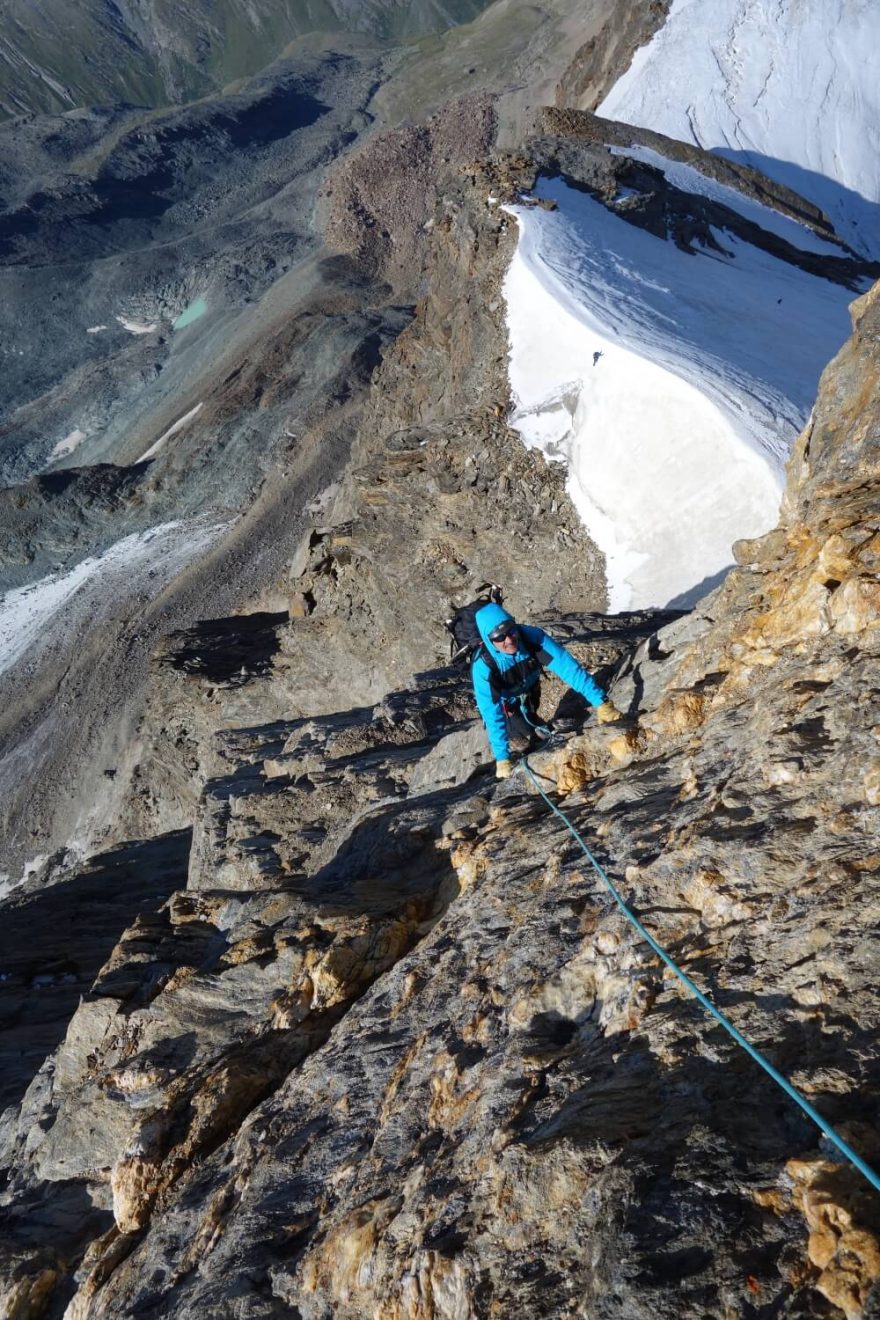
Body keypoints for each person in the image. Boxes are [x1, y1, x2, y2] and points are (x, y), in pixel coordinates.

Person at [471, 602, 621, 779]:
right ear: (489, 640)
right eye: (499, 638)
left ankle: (535, 727)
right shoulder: (483, 667)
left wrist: (601, 702)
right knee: (525, 741)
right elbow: (491, 713)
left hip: (529, 690)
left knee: (536, 726)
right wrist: (502, 758)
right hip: (505, 705)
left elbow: (568, 668)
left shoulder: (532, 638)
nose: (509, 640)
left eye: (511, 631)